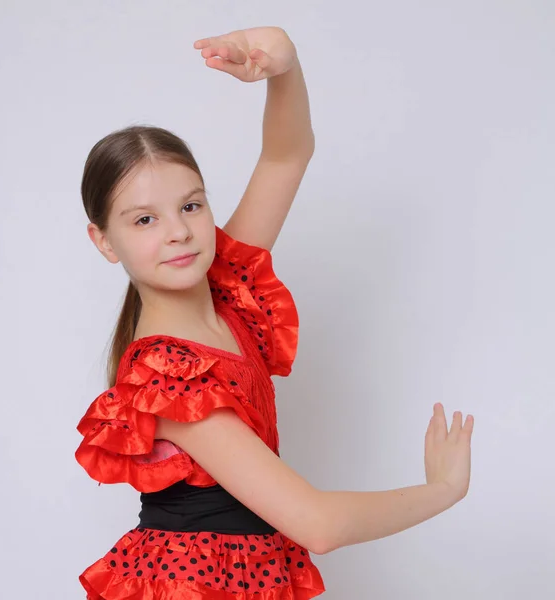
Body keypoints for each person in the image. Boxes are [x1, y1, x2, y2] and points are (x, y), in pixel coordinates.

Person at [74, 26, 474, 600]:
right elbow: (317, 523)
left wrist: (284, 65)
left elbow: (287, 154)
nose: (180, 232)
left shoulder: (227, 288)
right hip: (194, 586)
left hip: (245, 576)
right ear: (104, 240)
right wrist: (443, 490)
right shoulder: (168, 377)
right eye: (144, 220)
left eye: (191, 205)